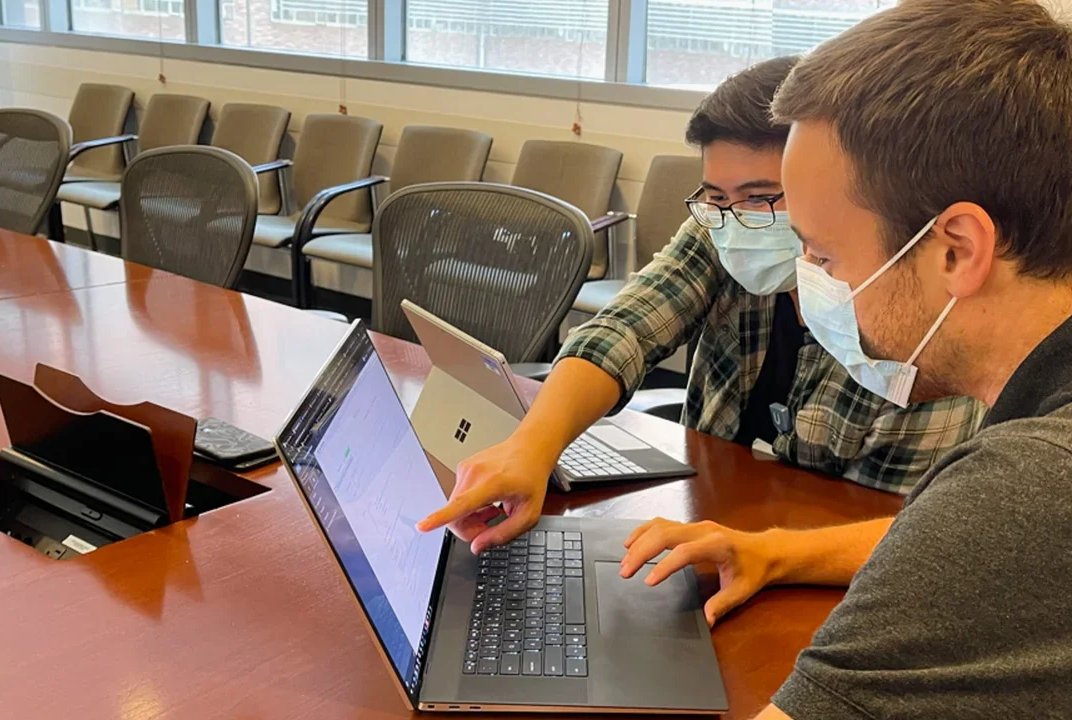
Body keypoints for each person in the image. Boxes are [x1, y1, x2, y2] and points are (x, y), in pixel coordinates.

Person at [631, 0, 1072, 717]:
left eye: (824, 254)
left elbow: (1005, 531)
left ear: (957, 249)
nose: (809, 294)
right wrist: (778, 553)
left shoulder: (1040, 489)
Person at [419, 57, 984, 557]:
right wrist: (531, 447)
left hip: (820, 563)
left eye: (761, 197)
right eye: (717, 196)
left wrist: (763, 552)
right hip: (706, 520)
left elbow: (899, 532)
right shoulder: (721, 224)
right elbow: (626, 328)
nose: (736, 217)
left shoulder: (910, 317)